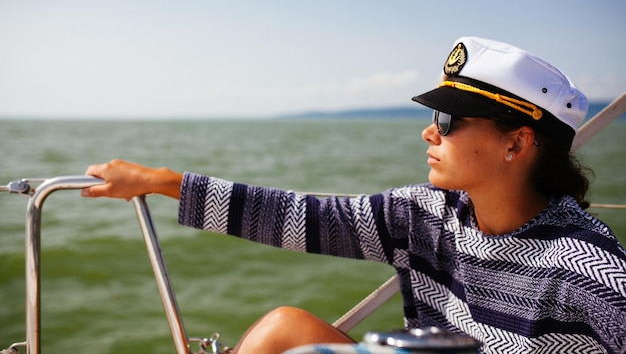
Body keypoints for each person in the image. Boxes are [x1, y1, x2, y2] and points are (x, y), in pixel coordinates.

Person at [82, 36, 626, 354]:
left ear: (517, 143)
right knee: (284, 328)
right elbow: (297, 216)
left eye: (449, 119)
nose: (429, 132)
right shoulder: (424, 215)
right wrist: (160, 181)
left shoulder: (589, 270)